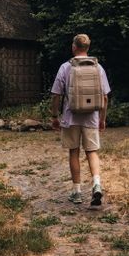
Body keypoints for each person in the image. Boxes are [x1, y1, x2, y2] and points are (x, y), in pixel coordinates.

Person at [50, 34, 111, 206]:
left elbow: (56, 95)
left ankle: (76, 192)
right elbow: (105, 97)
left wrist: (54, 116)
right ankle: (97, 184)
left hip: (70, 117)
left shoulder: (65, 67)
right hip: (91, 117)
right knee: (92, 152)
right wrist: (102, 119)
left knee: (74, 152)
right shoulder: (98, 67)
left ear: (74, 47)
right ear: (88, 48)